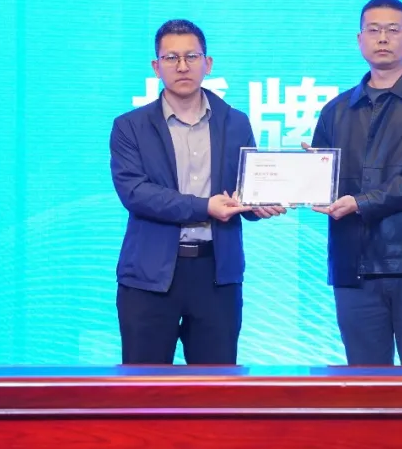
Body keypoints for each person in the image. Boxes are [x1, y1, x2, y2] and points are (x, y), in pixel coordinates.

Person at [110, 19, 281, 364]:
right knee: (143, 387)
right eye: (171, 58)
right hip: (149, 276)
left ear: (208, 63)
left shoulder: (236, 122)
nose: (182, 66)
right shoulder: (130, 126)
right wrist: (205, 207)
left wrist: (258, 204)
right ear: (156, 67)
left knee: (216, 387)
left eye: (191, 56)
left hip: (217, 274)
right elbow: (136, 193)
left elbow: (244, 191)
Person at [309, 0, 402, 366]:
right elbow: (320, 182)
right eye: (373, 30)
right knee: (364, 384)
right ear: (359, 39)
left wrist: (360, 202)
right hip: (353, 265)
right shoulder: (335, 110)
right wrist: (305, 177)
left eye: (393, 30)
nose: (382, 38)